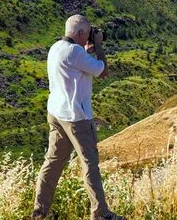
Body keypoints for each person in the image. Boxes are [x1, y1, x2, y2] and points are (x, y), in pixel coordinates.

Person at [32, 15, 125, 220]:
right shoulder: (75, 52)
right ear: (81, 33)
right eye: (88, 33)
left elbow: (75, 64)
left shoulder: (56, 48)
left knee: (53, 162)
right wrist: (99, 46)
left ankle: (39, 211)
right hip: (77, 118)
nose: (89, 37)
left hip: (56, 114)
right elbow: (102, 71)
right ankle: (100, 214)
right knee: (90, 164)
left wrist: (87, 50)